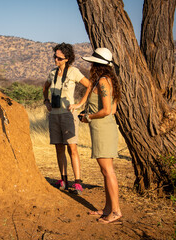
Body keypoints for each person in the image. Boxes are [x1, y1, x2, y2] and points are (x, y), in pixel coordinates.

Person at [79, 47, 122, 223]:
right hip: (104, 128)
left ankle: (116, 211)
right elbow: (113, 109)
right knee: (105, 171)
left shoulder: (103, 82)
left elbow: (105, 110)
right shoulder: (109, 80)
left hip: (103, 129)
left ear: (97, 65)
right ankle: (107, 208)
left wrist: (88, 117)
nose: (90, 65)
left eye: (92, 63)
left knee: (107, 171)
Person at [43, 43, 91, 195]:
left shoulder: (74, 72)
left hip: (68, 115)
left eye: (59, 58)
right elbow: (45, 87)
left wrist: (80, 104)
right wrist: (46, 101)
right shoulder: (52, 72)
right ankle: (63, 179)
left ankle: (77, 182)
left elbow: (89, 85)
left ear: (67, 59)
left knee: (72, 148)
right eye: (54, 56)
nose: (55, 60)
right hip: (54, 115)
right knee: (58, 147)